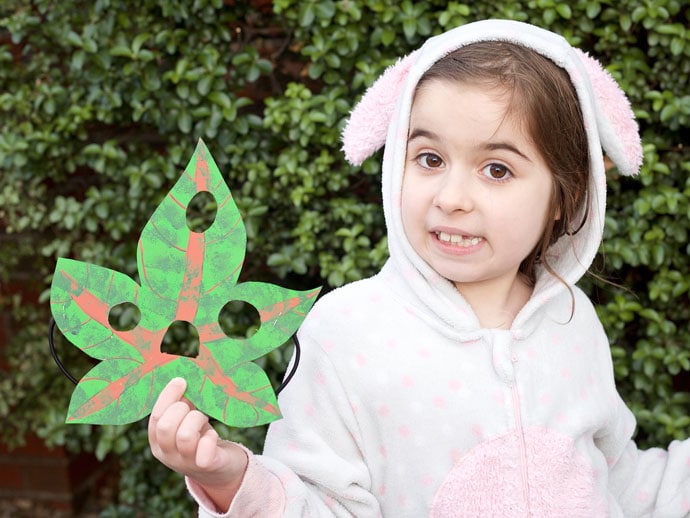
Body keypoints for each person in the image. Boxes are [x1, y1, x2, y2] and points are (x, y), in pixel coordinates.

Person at [148, 19, 690, 517]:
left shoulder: (572, 320)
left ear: (564, 197)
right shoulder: (346, 334)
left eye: (497, 169)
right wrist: (232, 481)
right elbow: (322, 503)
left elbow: (615, 479)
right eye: (430, 159)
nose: (451, 197)